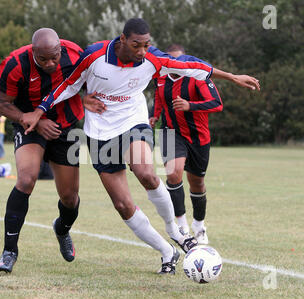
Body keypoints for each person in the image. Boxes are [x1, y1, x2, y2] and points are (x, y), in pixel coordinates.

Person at [23, 18, 259, 274]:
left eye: (147, 45)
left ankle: (175, 231)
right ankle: (166, 251)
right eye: (137, 45)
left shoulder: (152, 59)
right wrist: (40, 110)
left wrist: (232, 77)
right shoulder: (95, 55)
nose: (142, 51)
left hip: (133, 121)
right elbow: (69, 85)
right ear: (122, 39)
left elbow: (191, 66)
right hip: (100, 132)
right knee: (123, 205)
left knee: (146, 172)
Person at [0, 28, 93, 273]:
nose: (50, 63)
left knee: (69, 198)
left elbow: (89, 85)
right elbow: (0, 102)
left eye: (54, 57)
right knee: (26, 178)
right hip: (29, 127)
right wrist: (27, 117)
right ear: (33, 51)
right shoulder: (15, 64)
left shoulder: (75, 55)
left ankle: (62, 229)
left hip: (66, 127)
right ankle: (9, 251)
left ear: (61, 49)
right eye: (43, 59)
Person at [150, 44, 223, 244]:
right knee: (173, 173)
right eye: (171, 61)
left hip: (198, 136)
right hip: (170, 132)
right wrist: (154, 116)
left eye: (180, 62)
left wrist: (190, 105)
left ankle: (199, 225)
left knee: (197, 183)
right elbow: (158, 97)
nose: (175, 65)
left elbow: (217, 103)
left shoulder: (198, 77)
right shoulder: (160, 77)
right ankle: (181, 225)